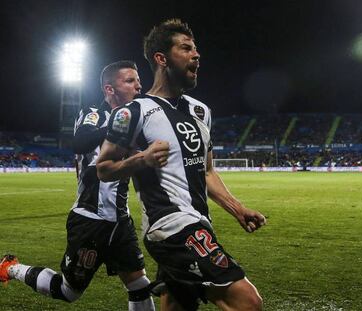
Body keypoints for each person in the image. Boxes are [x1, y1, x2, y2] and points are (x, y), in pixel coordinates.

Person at [96, 19, 266, 311]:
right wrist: (142, 159)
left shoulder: (201, 111)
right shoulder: (133, 112)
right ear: (161, 59)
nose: (196, 55)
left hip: (200, 222)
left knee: (178, 305)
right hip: (169, 227)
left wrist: (238, 208)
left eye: (195, 49)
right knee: (247, 302)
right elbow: (104, 167)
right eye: (186, 48)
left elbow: (207, 170)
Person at [0, 61, 155, 311]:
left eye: (138, 80)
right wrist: (117, 127)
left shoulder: (134, 120)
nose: (138, 86)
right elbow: (80, 141)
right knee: (68, 291)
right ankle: (11, 268)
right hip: (90, 221)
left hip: (120, 221)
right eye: (130, 81)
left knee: (138, 284)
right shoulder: (94, 113)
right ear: (109, 89)